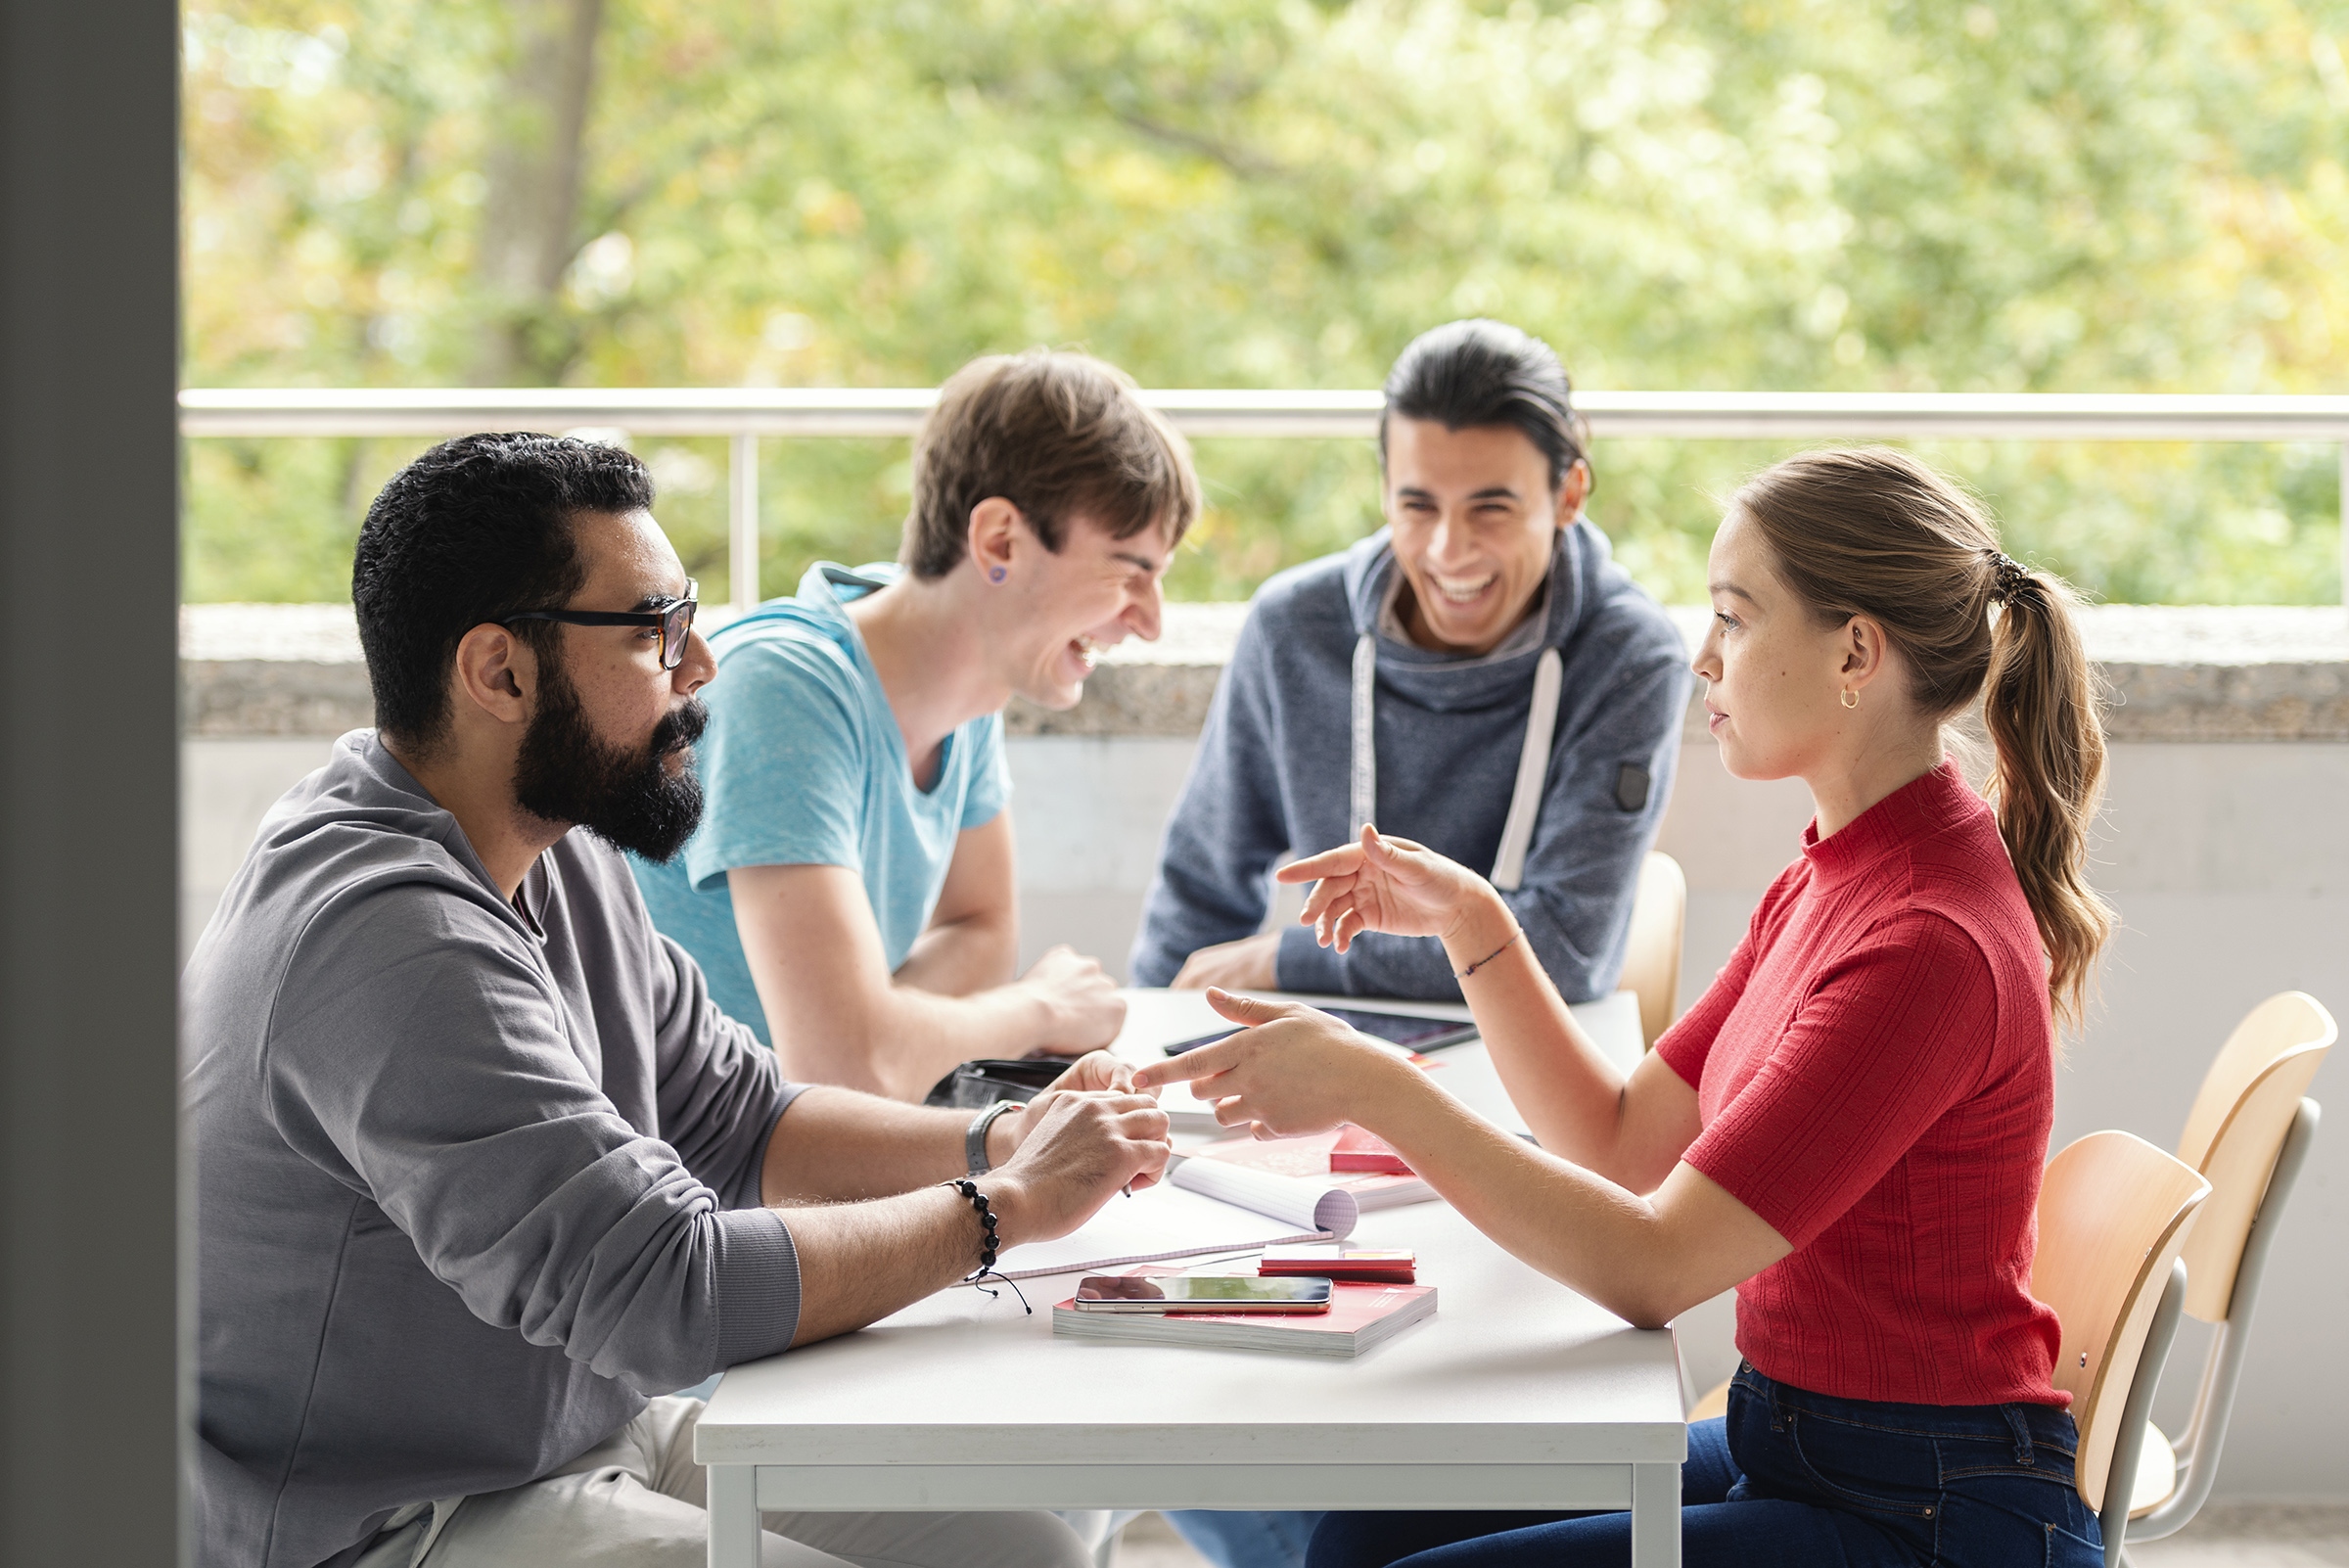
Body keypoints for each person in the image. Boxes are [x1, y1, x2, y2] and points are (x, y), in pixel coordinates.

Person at [184, 433, 1172, 1568]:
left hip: (577, 1431)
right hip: (386, 1518)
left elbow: (739, 1121)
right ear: (500, 672)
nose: (701, 662)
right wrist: (1003, 1204)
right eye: (656, 628)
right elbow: (670, 1292)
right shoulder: (385, 944)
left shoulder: (553, 844)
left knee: (1018, 1550)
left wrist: (1004, 1133)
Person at [1140, 447, 2117, 1568]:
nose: (1702, 657)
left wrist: (1375, 1084)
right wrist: (1475, 923)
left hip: (1926, 1512)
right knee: (1360, 1531)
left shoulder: (1925, 945)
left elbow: (1652, 1266)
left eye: (1735, 620)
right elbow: (1619, 1141)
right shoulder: (1836, 874)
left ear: (1856, 651)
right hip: (1794, 1448)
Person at [632, 348, 1199, 1099]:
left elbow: (983, 932)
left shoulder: (976, 687)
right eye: (1130, 572)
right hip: (686, 1173)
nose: (1151, 622)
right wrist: (1037, 1008)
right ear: (999, 542)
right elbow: (844, 1069)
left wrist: (889, 1026)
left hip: (795, 1145)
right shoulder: (784, 688)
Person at [1128, 319, 1688, 1002]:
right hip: (1326, 1064)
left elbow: (1567, 951)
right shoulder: (1294, 629)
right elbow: (1198, 895)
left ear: (1567, 495)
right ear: (1386, 490)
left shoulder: (1629, 657)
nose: (1450, 550)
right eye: (1418, 506)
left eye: (1492, 508)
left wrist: (1285, 962)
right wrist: (1150, 1057)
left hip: (1526, 1069)